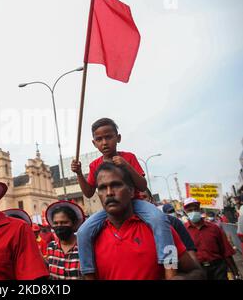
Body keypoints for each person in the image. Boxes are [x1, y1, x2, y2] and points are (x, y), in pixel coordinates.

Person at [71, 118, 176, 279]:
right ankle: (88, 272)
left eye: (109, 137)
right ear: (94, 143)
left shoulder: (129, 157)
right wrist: (79, 174)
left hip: (135, 203)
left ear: (118, 138)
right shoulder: (94, 165)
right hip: (109, 209)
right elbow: (89, 193)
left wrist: (126, 165)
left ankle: (170, 268)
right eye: (99, 139)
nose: (104, 142)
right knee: (84, 231)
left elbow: (141, 185)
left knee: (159, 218)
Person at [91, 163, 205, 280]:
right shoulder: (91, 237)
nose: (109, 192)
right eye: (102, 188)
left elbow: (197, 272)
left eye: (116, 185)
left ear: (131, 191)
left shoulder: (161, 229)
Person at [183, 197, 241, 280]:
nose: (193, 212)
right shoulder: (183, 231)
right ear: (185, 212)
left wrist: (236, 274)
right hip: (198, 271)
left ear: (199, 209)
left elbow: (226, 251)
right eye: (190, 210)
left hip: (218, 268)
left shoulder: (214, 228)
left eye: (195, 209)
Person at [45, 201, 85, 280]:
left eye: (64, 222)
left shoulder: (84, 246)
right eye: (56, 223)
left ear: (74, 224)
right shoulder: (51, 247)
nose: (59, 226)